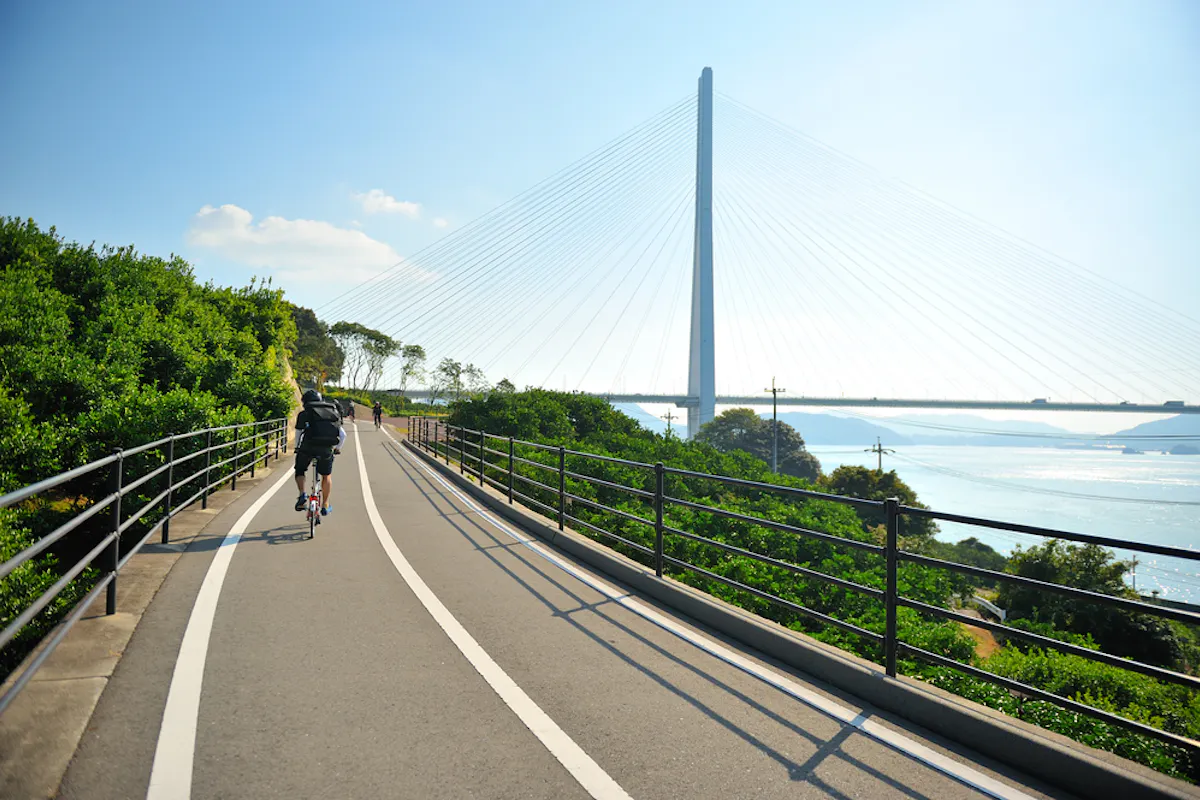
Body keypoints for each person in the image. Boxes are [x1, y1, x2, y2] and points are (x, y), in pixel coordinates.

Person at [293, 389, 345, 515]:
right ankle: (325, 505)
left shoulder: (304, 414)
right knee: (326, 476)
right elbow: (343, 435)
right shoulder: (332, 412)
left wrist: (297, 447)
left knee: (300, 470)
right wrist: (337, 448)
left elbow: (298, 434)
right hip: (326, 449)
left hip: (307, 448)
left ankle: (302, 494)